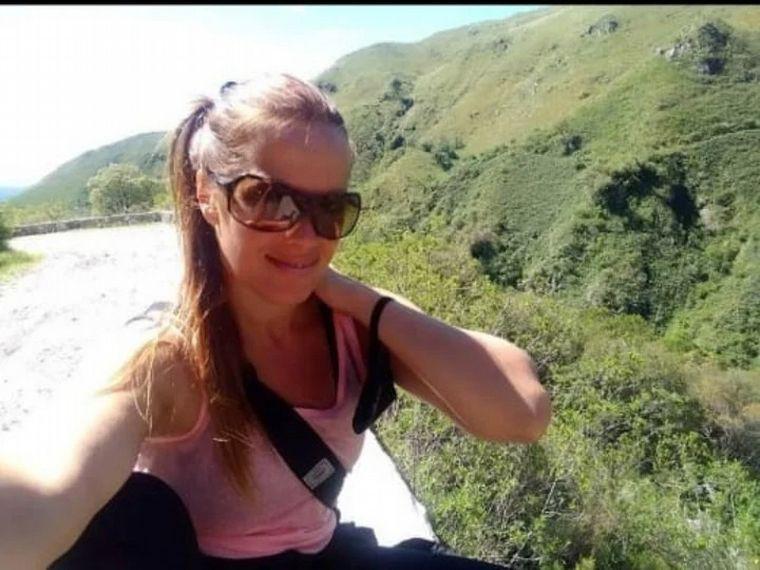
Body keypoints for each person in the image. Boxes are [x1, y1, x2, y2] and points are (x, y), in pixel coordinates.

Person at [0, 73, 551, 569]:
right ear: (206, 195)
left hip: (327, 553)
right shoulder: (167, 356)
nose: (303, 234)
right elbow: (46, 483)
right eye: (268, 199)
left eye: (329, 209)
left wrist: (354, 295)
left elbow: (522, 413)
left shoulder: (353, 327)